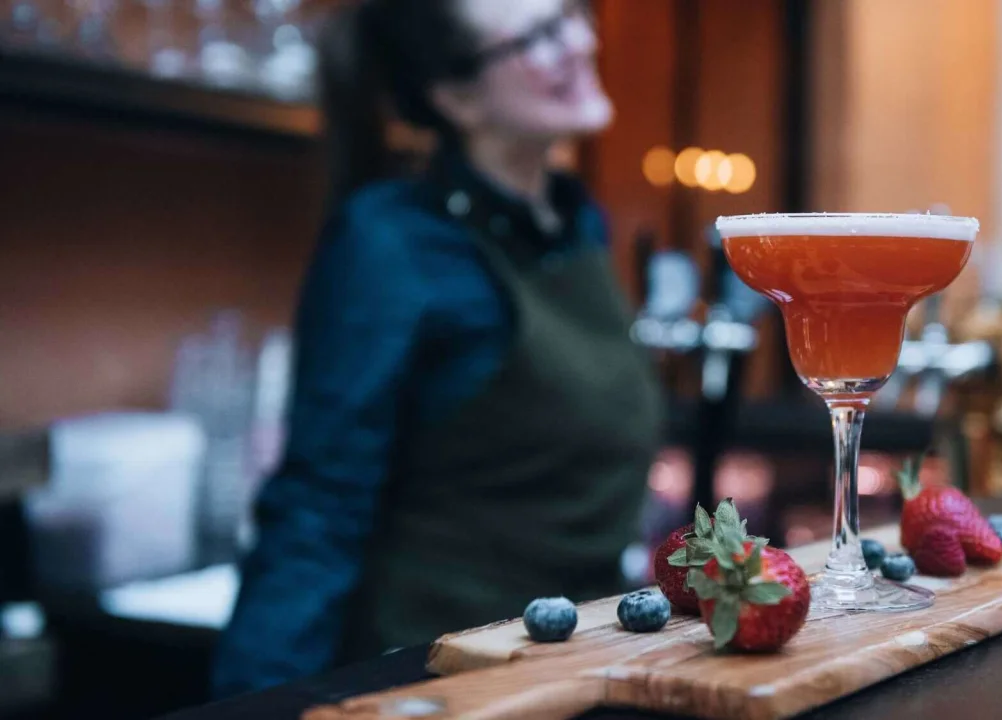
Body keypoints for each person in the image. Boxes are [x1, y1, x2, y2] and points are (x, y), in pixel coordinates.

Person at [211, 0, 663, 697]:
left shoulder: (575, 222)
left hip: (579, 665)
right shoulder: (390, 241)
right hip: (442, 674)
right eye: (537, 36)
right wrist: (256, 706)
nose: (578, 40)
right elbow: (319, 507)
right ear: (454, 97)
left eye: (569, 13)